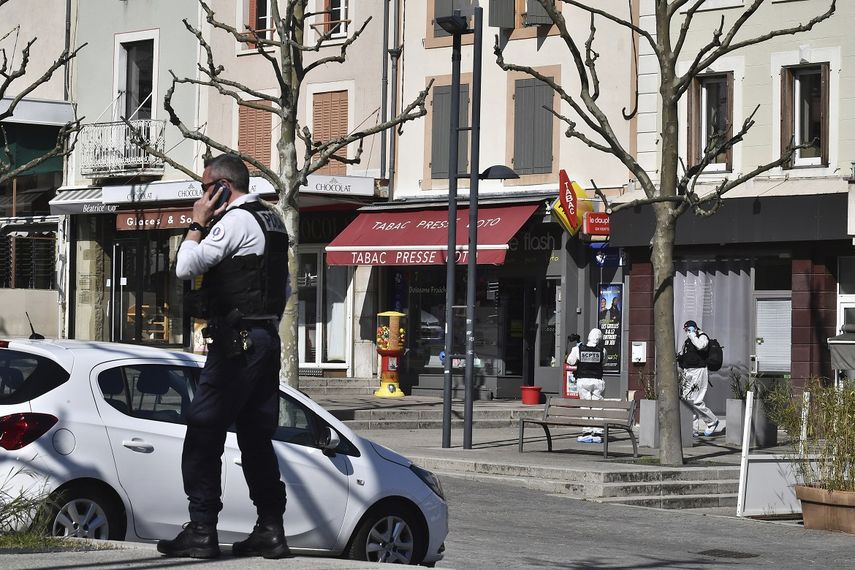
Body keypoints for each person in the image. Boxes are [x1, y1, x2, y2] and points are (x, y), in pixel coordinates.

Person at [157, 154, 290, 559]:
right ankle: (270, 529)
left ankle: (201, 531)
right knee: (255, 437)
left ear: (221, 187)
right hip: (264, 340)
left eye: (204, 188)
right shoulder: (274, 220)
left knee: (204, 431)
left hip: (238, 343)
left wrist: (198, 222)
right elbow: (281, 289)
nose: (201, 195)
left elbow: (186, 265)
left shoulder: (233, 221)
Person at [678, 320, 720, 437]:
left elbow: (701, 346)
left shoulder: (702, 337)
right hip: (688, 372)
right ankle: (692, 430)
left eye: (689, 329)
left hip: (699, 371)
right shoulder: (688, 341)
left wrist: (693, 335)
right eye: (686, 330)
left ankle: (712, 421)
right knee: (688, 401)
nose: (687, 332)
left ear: (695, 328)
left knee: (696, 400)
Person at [567, 328, 606, 444]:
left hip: (583, 380)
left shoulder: (578, 348)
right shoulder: (602, 350)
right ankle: (598, 431)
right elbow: (603, 362)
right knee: (597, 406)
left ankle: (587, 431)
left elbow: (570, 361)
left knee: (585, 406)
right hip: (597, 381)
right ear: (599, 339)